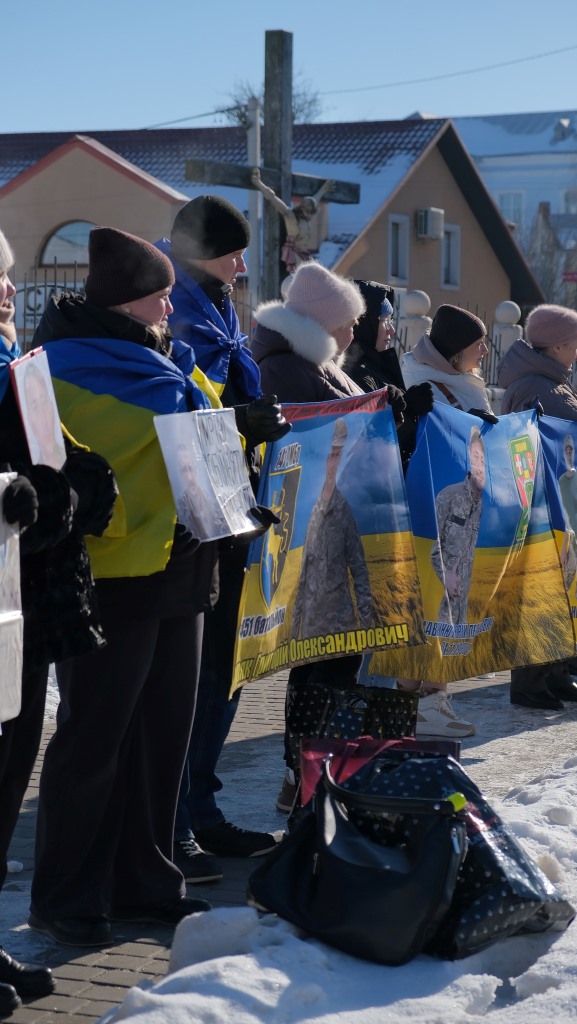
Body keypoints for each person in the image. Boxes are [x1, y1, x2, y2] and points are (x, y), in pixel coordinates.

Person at [28, 226, 227, 947]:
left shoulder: (168, 361)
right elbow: (89, 463)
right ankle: (66, 896)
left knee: (162, 737)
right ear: (127, 302)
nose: (171, 308)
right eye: (160, 296)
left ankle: (145, 882)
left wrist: (244, 433)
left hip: (182, 567)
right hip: (109, 576)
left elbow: (203, 439)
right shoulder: (60, 369)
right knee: (95, 738)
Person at [156, 197, 289, 884]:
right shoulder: (174, 303)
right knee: (195, 679)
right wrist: (241, 420)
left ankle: (199, 808)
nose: (241, 266)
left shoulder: (215, 302)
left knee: (224, 672)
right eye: (231, 254)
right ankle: (174, 821)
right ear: (199, 252)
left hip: (231, 505)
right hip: (191, 518)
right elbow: (180, 410)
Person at [0, 227, 117, 1005]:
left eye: (8, 276)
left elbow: (52, 455)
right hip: (8, 592)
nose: (9, 290)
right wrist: (21, 498)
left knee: (10, 771)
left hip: (25, 603)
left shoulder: (15, 365)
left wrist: (79, 481)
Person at [252, 262, 394, 812]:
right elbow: (316, 439)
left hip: (338, 532)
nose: (355, 330)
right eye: (348, 320)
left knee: (335, 661)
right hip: (314, 540)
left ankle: (320, 771)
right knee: (321, 664)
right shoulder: (288, 369)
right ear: (321, 321)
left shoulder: (317, 365)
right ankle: (306, 774)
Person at [399, 303, 498, 738]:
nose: (485, 352)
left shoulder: (463, 383)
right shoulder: (420, 382)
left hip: (460, 520)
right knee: (429, 609)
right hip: (430, 515)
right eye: (479, 344)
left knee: (443, 613)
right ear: (456, 351)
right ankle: (417, 704)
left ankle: (428, 701)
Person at [498, 302, 577, 709]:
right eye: (574, 342)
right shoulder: (533, 385)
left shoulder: (553, 381)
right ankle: (529, 683)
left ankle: (556, 673)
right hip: (539, 501)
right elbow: (525, 442)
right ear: (558, 345)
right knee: (538, 590)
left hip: (560, 498)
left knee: (562, 586)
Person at [291, 417, 376, 641]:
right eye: (330, 456)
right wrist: (293, 634)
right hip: (309, 631)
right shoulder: (308, 508)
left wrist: (366, 629)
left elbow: (359, 571)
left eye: (338, 456)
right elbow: (301, 578)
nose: (332, 463)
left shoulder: (344, 510)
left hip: (340, 628)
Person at [342, 279, 434, 467]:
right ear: (363, 323)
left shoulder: (375, 365)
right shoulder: (354, 373)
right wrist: (409, 410)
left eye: (391, 320)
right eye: (384, 321)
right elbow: (369, 439)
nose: (391, 329)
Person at [431, 425, 486, 624]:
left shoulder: (480, 505)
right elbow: (434, 550)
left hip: (464, 615)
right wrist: (446, 575)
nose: (479, 465)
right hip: (443, 616)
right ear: (468, 457)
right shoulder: (449, 497)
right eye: (475, 458)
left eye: (483, 460)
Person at [250, 167, 335, 273]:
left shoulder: (306, 218)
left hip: (303, 252)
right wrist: (258, 183)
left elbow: (314, 200)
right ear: (303, 208)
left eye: (311, 211)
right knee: (301, 274)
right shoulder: (290, 215)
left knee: (308, 272)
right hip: (294, 252)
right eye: (307, 210)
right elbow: (272, 197)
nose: (309, 213)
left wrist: (323, 190)